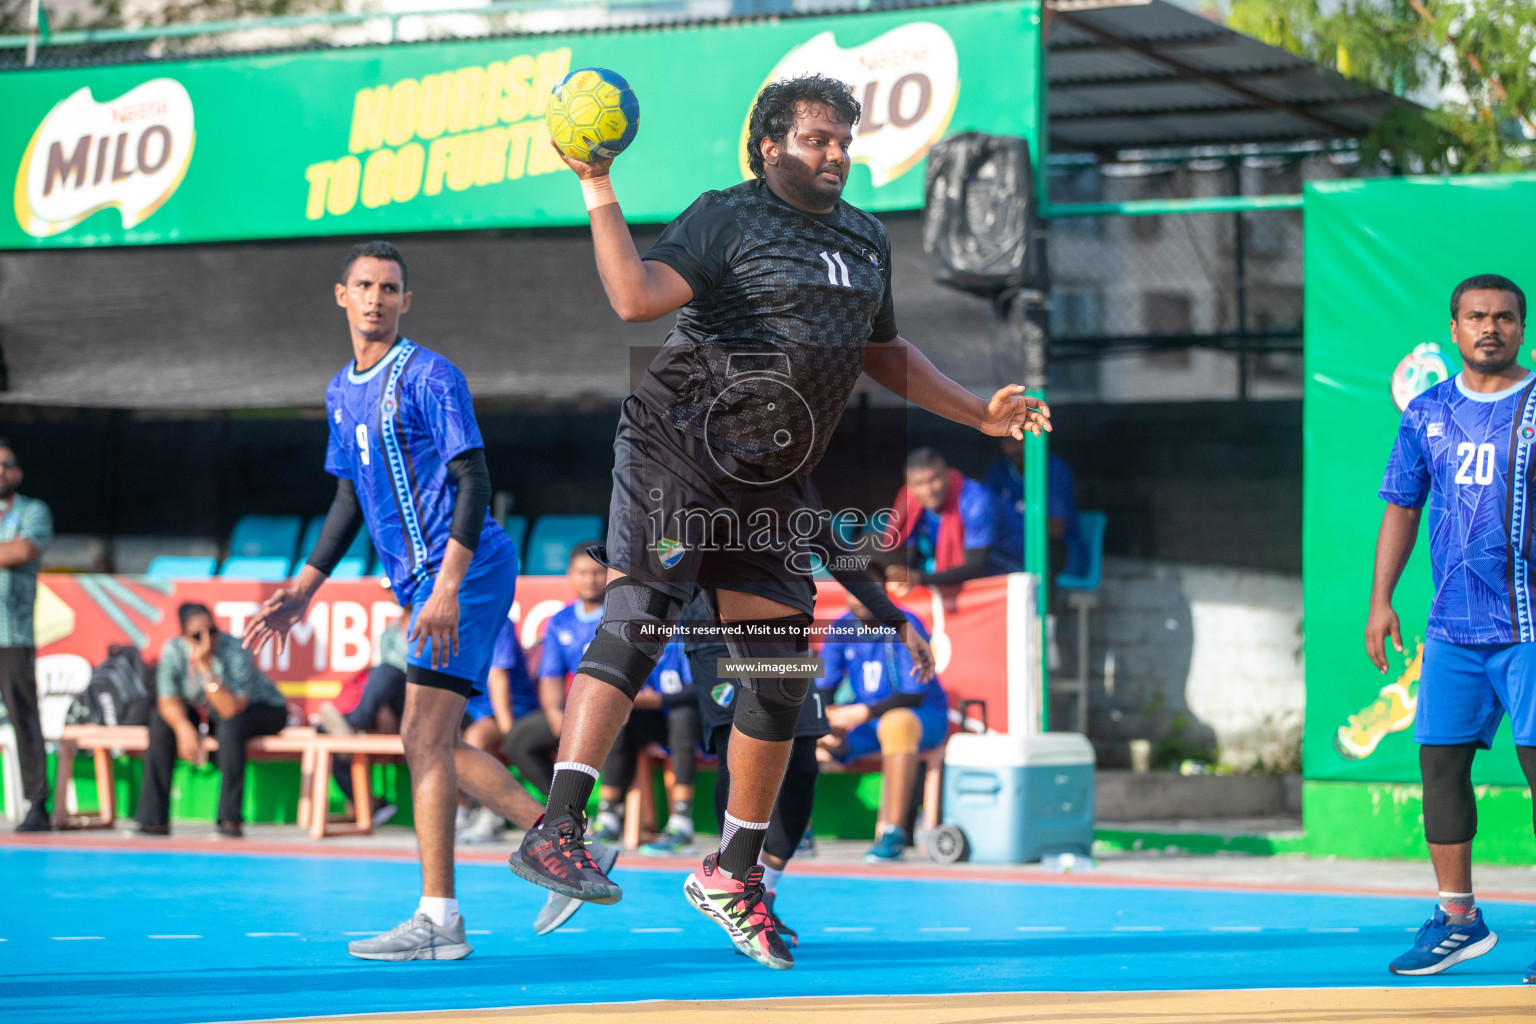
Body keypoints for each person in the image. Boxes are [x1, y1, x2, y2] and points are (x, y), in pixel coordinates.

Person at [506, 74, 1049, 972]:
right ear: (769, 145)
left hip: (770, 474)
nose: (836, 153)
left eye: (845, 139)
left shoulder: (867, 240)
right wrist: (596, 186)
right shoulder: (726, 216)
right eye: (817, 139)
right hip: (678, 445)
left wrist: (978, 415)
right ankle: (559, 823)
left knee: (779, 677)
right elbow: (636, 298)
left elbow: (885, 352)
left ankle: (732, 871)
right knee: (641, 614)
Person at [243, 241, 610, 959]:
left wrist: (445, 585)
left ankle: (448, 917)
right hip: (422, 581)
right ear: (342, 296)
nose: (377, 297)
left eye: (390, 287)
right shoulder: (339, 390)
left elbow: (474, 480)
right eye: (365, 286)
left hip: (465, 570)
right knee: (429, 740)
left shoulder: (432, 376)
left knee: (422, 734)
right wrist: (305, 587)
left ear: (406, 301)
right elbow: (348, 495)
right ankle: (556, 851)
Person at [1367, 273, 1536, 984]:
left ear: (1522, 327)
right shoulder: (1427, 412)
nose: (1490, 328)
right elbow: (1403, 505)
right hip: (1453, 629)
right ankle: (1459, 920)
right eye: (1476, 317)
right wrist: (1381, 600)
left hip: (1530, 628)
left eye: (1504, 317)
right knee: (1439, 765)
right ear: (1455, 327)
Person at [137, 603, 288, 837]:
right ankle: (153, 819)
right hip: (209, 709)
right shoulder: (174, 651)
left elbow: (230, 709)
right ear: (184, 636)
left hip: (260, 708)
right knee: (160, 722)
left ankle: (229, 819)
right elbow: (167, 701)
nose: (207, 639)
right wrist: (183, 727)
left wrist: (206, 667)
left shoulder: (236, 648)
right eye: (198, 635)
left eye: (212, 631)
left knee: (231, 729)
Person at [817, 595, 947, 862]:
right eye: (853, 589)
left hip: (921, 717)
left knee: (896, 723)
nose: (860, 596)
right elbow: (824, 687)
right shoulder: (841, 628)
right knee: (800, 727)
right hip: (866, 724)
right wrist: (829, 723)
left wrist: (862, 712)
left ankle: (893, 833)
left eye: (866, 587)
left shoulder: (906, 623)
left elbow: (913, 695)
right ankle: (793, 835)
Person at [503, 543, 606, 798]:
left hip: (616, 713)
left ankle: (611, 813)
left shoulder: (623, 617)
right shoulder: (561, 620)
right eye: (583, 573)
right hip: (576, 714)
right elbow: (551, 676)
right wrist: (555, 713)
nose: (590, 580)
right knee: (519, 739)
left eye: (597, 572)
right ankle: (562, 808)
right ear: (570, 574)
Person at [0, 439, 54, 832]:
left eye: (6, 465)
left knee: (23, 718)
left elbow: (21, 552)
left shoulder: (32, 511)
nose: (0, 472)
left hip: (11, 635)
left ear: (17, 472)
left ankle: (37, 804)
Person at [601, 642, 700, 851]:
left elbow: (698, 691)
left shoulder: (689, 633)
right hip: (651, 720)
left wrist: (657, 700)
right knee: (620, 719)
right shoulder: (636, 635)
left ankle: (682, 821)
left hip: (690, 721)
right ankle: (609, 815)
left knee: (682, 716)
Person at [880, 448, 1022, 594]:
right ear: (909, 487)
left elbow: (975, 565)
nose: (928, 490)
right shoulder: (912, 503)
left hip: (1012, 572)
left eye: (933, 480)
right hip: (967, 578)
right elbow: (907, 555)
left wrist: (918, 578)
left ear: (947, 476)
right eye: (919, 484)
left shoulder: (976, 502)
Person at [458, 618, 538, 844]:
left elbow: (498, 677)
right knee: (436, 735)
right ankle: (460, 811)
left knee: (476, 740)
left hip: (513, 707)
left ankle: (491, 814)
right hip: (470, 706)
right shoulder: (447, 617)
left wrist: (508, 734)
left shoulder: (498, 621)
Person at [983, 434, 1086, 580]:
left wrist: (1008, 529)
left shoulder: (1053, 469)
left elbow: (1055, 529)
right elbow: (984, 519)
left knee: (1041, 557)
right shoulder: (998, 471)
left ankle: (1042, 604)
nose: (1015, 447)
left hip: (1061, 551)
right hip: (1013, 549)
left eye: (1022, 440)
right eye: (1009, 441)